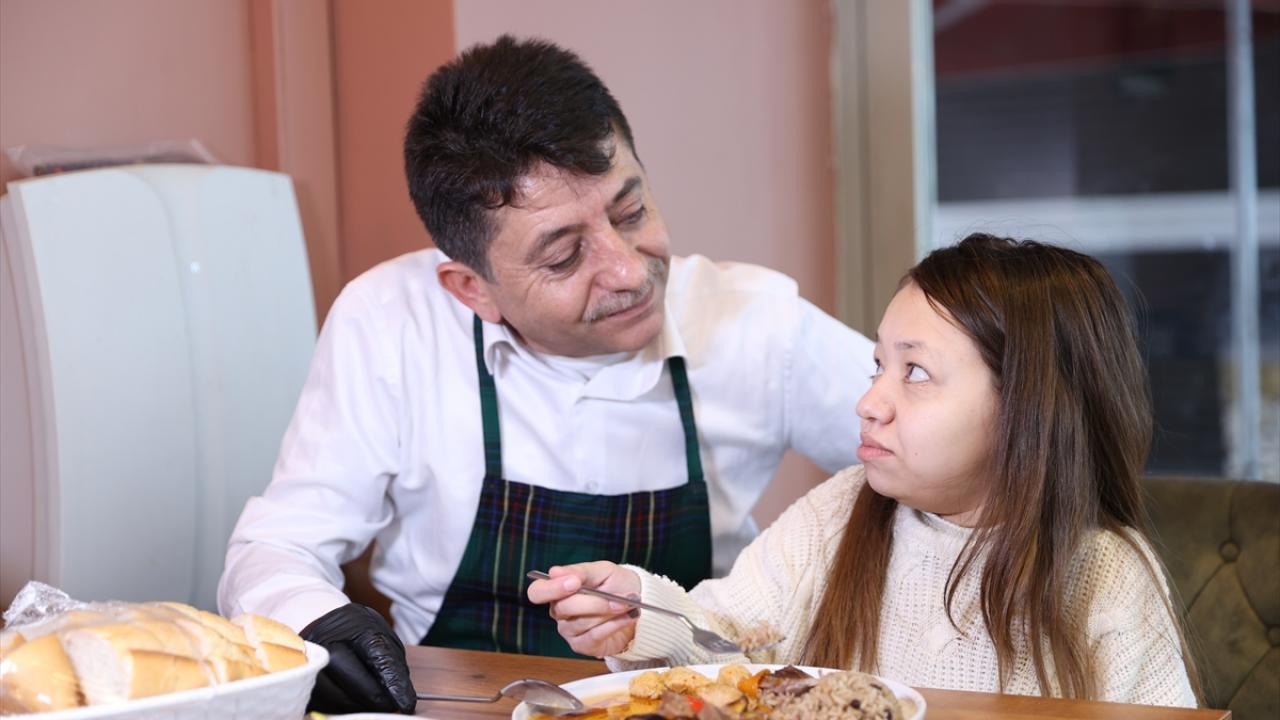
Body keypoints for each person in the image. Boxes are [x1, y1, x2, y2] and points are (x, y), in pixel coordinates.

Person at [217, 35, 875, 715]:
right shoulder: (390, 323)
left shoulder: (755, 323)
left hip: (693, 705)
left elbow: (938, 453)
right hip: (458, 705)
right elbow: (275, 546)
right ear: (472, 288)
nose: (628, 271)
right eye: (564, 257)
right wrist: (316, 620)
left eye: (631, 212)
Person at [529, 233, 1200, 707]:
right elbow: (726, 645)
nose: (870, 402)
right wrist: (639, 613)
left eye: (916, 373)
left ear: (1028, 409)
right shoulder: (844, 508)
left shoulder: (1107, 576)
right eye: (878, 365)